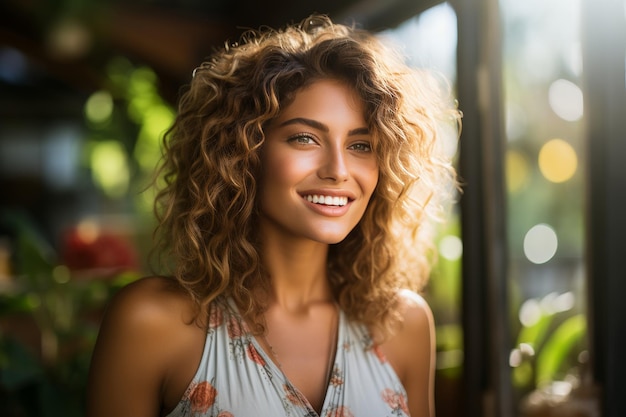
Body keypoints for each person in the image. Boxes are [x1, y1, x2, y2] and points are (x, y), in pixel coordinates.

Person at [86, 13, 460, 417]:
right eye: (305, 138)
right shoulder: (151, 324)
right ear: (244, 153)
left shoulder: (403, 325)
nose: (338, 169)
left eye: (361, 145)